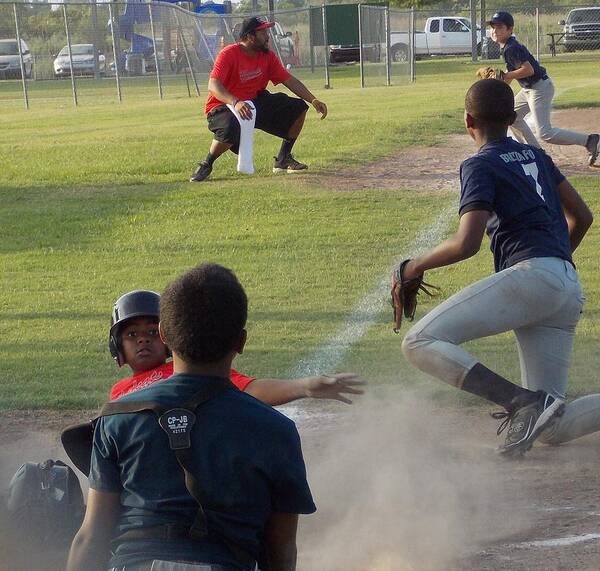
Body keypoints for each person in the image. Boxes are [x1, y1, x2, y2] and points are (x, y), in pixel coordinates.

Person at [66, 263, 316, 571]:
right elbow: (280, 552)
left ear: (164, 335)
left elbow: (91, 538)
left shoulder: (117, 418)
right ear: (240, 342)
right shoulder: (278, 432)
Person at [397, 79, 594, 457]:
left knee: (418, 342)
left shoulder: (479, 163)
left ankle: (520, 400)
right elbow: (582, 217)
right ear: (510, 118)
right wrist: (554, 268)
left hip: (534, 277)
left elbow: (466, 244)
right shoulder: (537, 156)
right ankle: (532, 404)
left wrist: (413, 266)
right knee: (553, 427)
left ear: (467, 120)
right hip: (566, 286)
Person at [109, 289, 363, 405]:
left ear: (167, 336)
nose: (143, 339)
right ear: (117, 345)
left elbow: (247, 390)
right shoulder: (118, 392)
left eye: (152, 332)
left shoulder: (186, 370)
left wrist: (303, 387)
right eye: (132, 334)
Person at [190, 16, 328, 182]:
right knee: (231, 129)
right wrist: (235, 102)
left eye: (267, 31)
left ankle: (283, 159)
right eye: (263, 33)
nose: (267, 36)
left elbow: (289, 80)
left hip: (254, 102)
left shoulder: (267, 56)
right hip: (223, 105)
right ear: (249, 36)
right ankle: (207, 164)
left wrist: (313, 100)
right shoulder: (229, 54)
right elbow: (213, 85)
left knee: (298, 107)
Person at [488, 11, 599, 167]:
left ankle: (590, 140)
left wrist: (506, 76)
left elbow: (528, 70)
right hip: (529, 89)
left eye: (499, 27)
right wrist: (498, 85)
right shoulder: (507, 47)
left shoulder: (510, 48)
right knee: (512, 117)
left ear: (510, 30)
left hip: (539, 88)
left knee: (545, 133)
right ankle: (535, 153)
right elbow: (513, 75)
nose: (494, 30)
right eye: (493, 27)